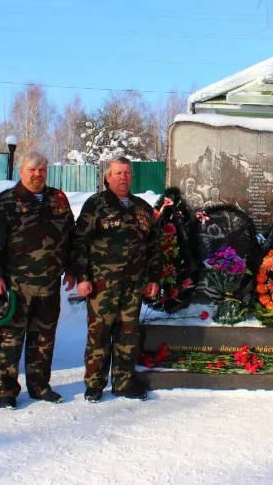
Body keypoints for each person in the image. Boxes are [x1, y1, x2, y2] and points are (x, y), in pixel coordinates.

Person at [0, 151, 75, 409]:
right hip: (15, 285)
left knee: (43, 339)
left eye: (42, 170)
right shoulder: (7, 200)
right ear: (21, 171)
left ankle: (40, 385)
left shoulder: (58, 199)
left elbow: (71, 235)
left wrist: (72, 268)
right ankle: (7, 390)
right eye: (32, 170)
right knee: (10, 339)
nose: (37, 174)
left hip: (49, 284)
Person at [73, 157, 161, 402]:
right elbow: (80, 242)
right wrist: (82, 277)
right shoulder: (95, 205)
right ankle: (94, 384)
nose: (123, 177)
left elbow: (153, 245)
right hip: (102, 284)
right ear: (107, 177)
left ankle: (123, 383)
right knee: (99, 334)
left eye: (127, 173)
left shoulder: (142, 207)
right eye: (118, 173)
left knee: (128, 335)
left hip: (133, 285)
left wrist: (154, 277)